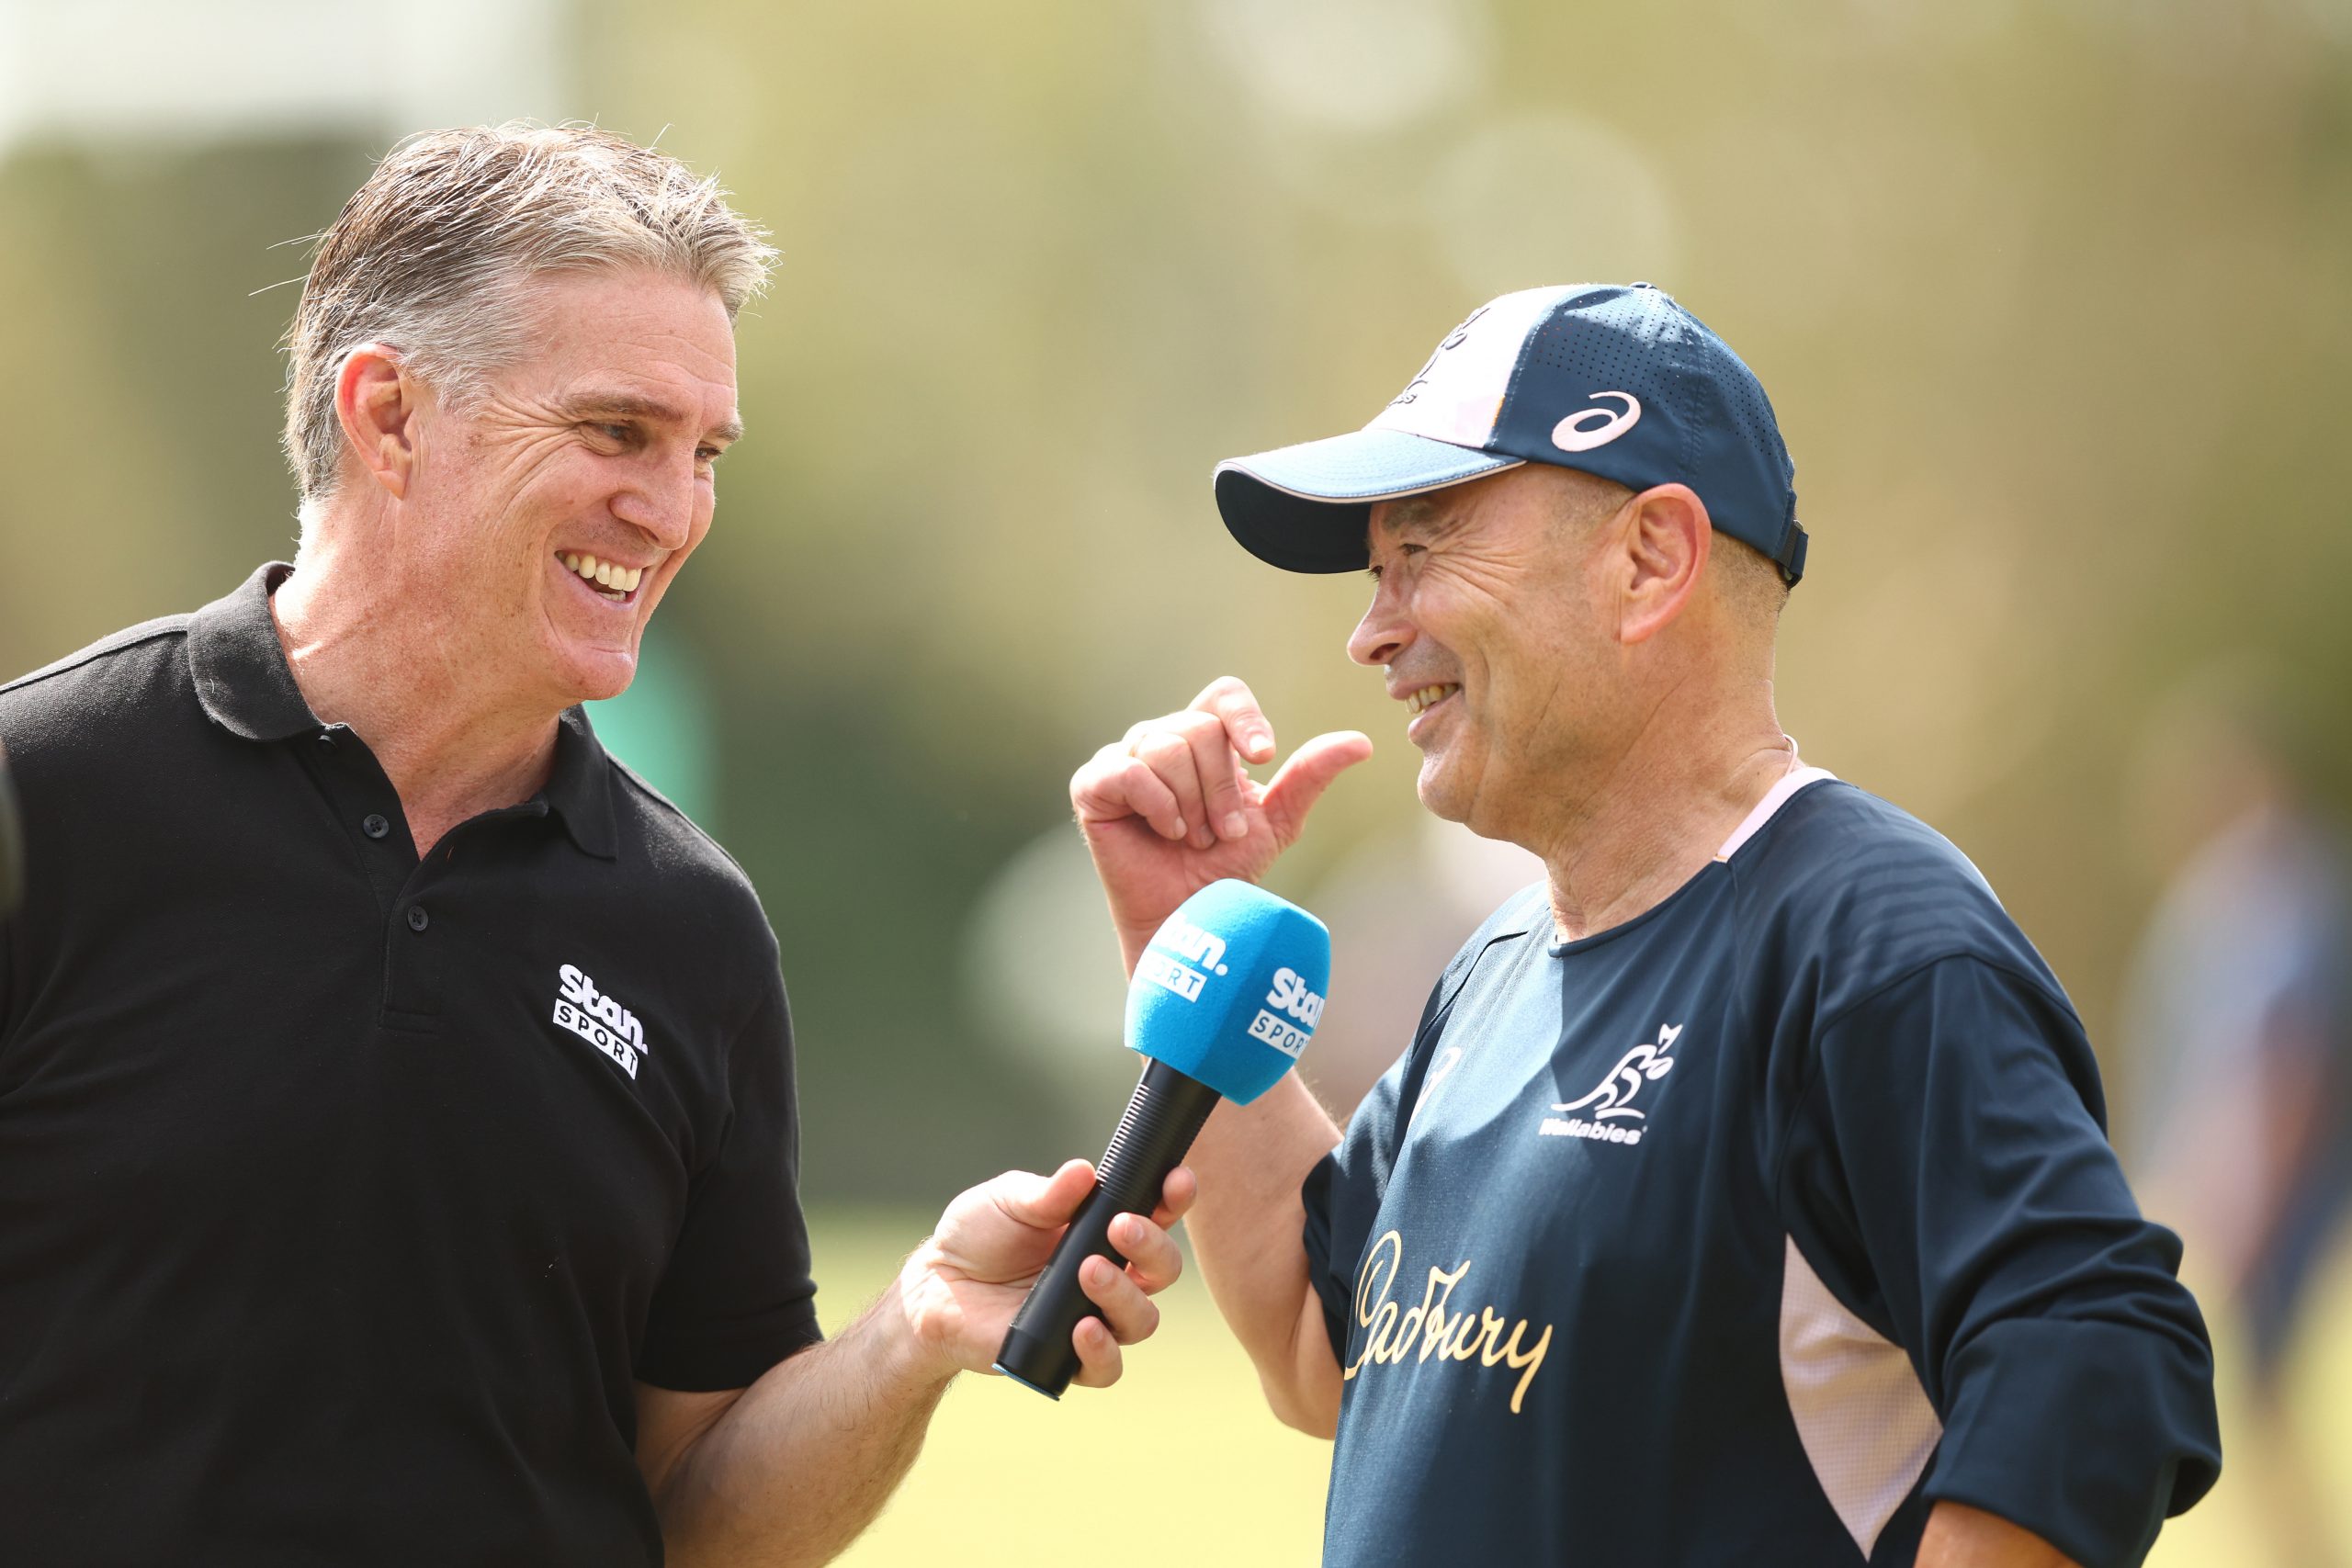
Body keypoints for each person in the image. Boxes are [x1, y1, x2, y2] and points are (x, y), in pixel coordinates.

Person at [0, 124, 1189, 1567]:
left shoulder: (692, 926)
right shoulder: (43, 794)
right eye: (617, 431)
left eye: (704, 453)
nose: (672, 509)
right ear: (388, 416)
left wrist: (915, 1326)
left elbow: (699, 1519)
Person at [1073, 284, 2222, 1567]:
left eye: (1424, 551)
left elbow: (2097, 1361)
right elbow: (1318, 1347)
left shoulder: (1870, 944)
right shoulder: (1498, 968)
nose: (1371, 631)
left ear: (1649, 559)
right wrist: (1183, 928)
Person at [2120, 669, 2352, 1568]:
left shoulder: (2265, 900)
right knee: (2264, 1426)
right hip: (2266, 1215)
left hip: (2269, 1221)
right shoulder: (2272, 892)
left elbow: (2276, 1068)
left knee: (2260, 1413)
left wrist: (2227, 1220)